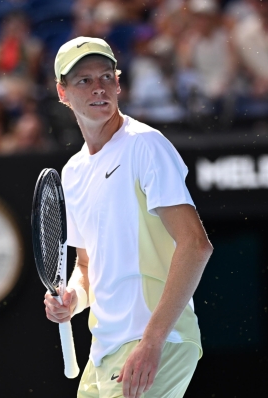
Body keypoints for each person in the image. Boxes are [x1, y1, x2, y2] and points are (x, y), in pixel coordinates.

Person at [43, 37, 213, 398]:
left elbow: (196, 246)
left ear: (118, 83)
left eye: (106, 77)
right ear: (63, 92)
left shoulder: (145, 146)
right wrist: (72, 298)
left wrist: (152, 342)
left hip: (154, 339)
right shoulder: (73, 172)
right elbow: (87, 267)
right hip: (104, 351)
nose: (99, 88)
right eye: (84, 81)